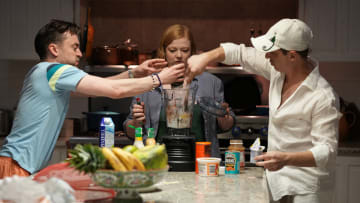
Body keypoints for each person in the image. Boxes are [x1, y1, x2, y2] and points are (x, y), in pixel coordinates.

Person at [0, 19, 185, 178]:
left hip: (14, 163)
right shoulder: (56, 70)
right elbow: (114, 91)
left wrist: (134, 73)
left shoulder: (44, 73)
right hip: (16, 167)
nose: (80, 53)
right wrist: (159, 79)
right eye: (74, 47)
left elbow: (96, 88)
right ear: (54, 49)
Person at [185, 19, 341, 203]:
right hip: (276, 182)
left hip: (308, 189)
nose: (267, 57)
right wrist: (205, 58)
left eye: (272, 53)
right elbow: (239, 53)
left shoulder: (322, 96)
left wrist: (286, 159)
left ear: (291, 56)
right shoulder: (278, 70)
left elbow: (327, 151)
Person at [123, 24, 235, 157]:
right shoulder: (147, 83)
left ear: (192, 52)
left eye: (185, 50)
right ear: (164, 51)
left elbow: (227, 125)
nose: (179, 55)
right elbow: (128, 129)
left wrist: (223, 117)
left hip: (202, 162)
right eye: (172, 50)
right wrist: (136, 123)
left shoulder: (211, 83)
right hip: (157, 161)